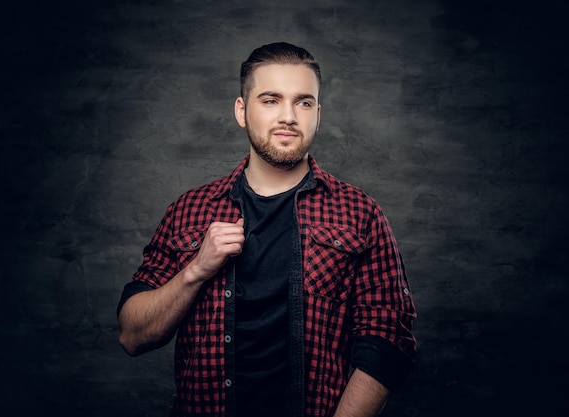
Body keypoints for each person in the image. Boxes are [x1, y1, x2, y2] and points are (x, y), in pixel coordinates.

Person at [117, 42, 416, 417]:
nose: (288, 116)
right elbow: (131, 335)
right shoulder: (189, 211)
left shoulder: (360, 214)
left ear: (318, 115)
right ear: (242, 111)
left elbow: (387, 344)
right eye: (271, 100)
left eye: (303, 102)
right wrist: (194, 271)